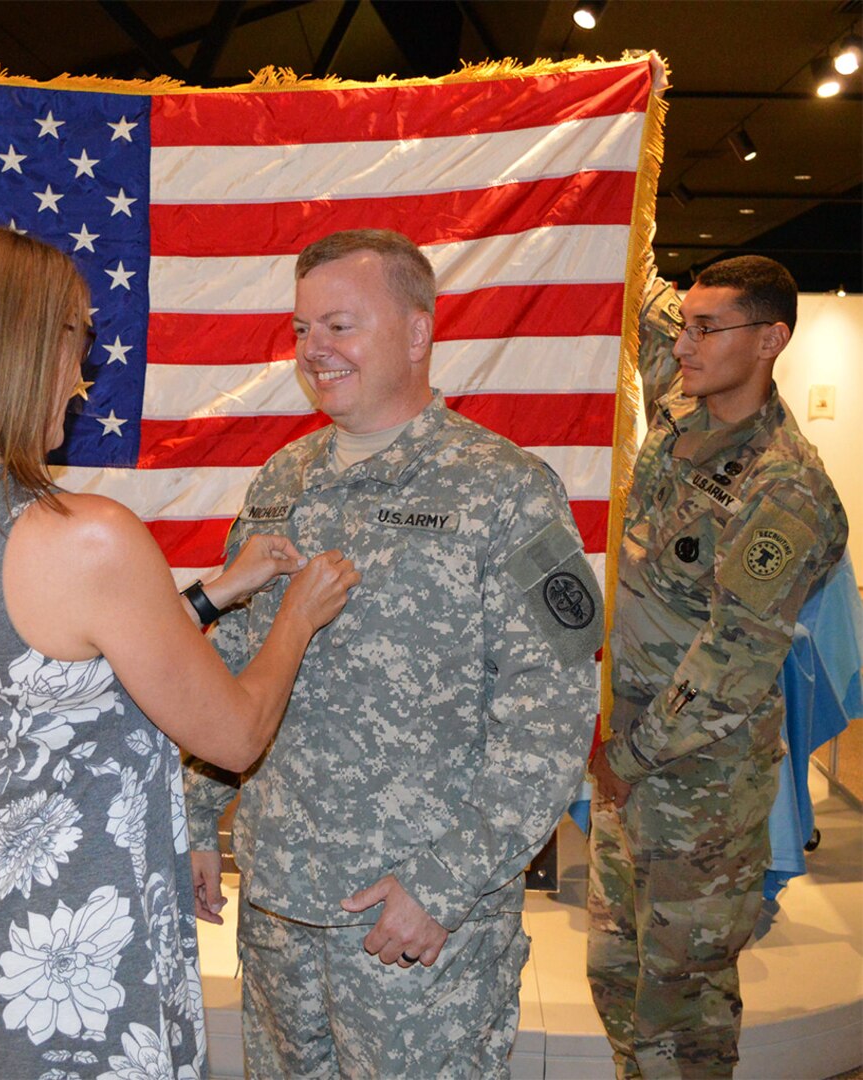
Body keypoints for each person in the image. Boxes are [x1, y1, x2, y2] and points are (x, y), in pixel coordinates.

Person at [0, 222, 359, 1079]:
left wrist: (213, 595)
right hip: (60, 975)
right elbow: (233, 735)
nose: (84, 376)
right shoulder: (87, 538)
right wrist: (294, 620)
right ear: (15, 345)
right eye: (78, 338)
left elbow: (53, 671)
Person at [184, 228, 604, 1077]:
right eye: (302, 330)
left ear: (418, 333)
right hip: (279, 908)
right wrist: (198, 820)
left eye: (339, 326)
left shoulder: (506, 489)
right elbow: (232, 659)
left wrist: (445, 886)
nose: (314, 351)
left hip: (411, 924)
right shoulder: (284, 479)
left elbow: (551, 719)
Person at [587, 256, 848, 1078]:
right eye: (688, 324)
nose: (686, 341)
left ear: (770, 340)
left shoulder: (785, 489)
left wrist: (625, 762)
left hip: (696, 779)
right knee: (618, 972)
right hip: (633, 754)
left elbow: (731, 663)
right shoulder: (684, 402)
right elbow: (645, 297)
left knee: (682, 1008)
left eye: (708, 327)